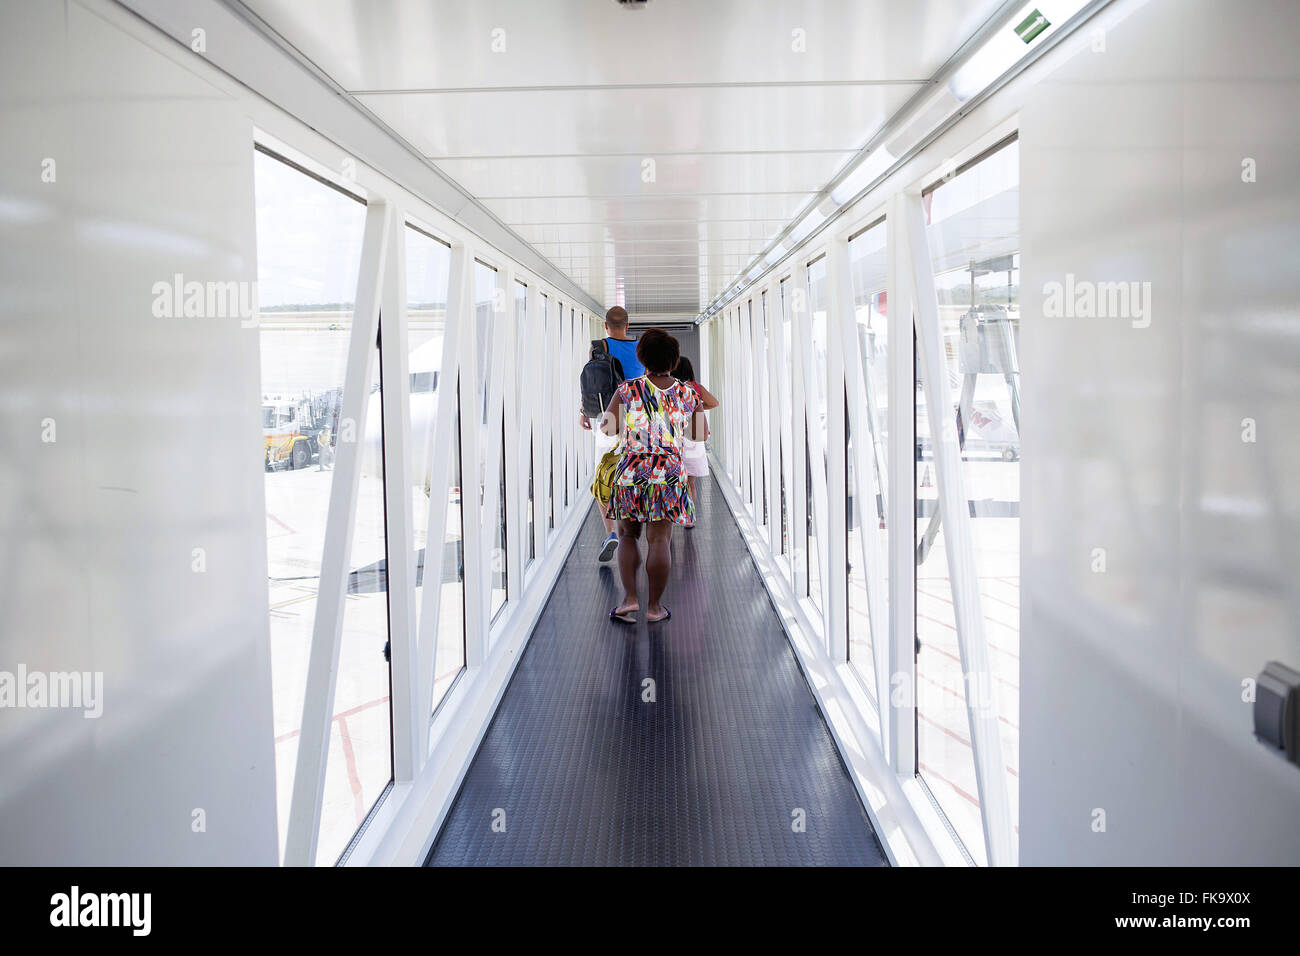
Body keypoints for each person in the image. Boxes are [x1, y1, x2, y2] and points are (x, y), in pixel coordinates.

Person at [603, 329, 697, 625]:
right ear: (674, 359)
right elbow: (698, 434)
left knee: (628, 534)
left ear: (641, 356)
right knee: (660, 540)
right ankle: (655, 607)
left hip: (631, 471)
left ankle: (630, 599)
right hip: (668, 474)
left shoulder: (627, 390)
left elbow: (607, 428)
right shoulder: (686, 393)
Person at [581, 306, 645, 563]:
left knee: (601, 477)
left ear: (606, 326)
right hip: (636, 421)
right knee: (635, 473)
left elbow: (590, 385)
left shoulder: (599, 347)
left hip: (607, 419)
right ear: (627, 325)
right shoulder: (641, 349)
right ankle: (633, 528)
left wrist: (584, 412)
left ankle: (610, 533)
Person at [671, 356, 719, 527]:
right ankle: (689, 519)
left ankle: (674, 513)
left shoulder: (670, 387)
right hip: (694, 438)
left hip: (674, 438)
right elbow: (714, 403)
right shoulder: (696, 388)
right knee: (690, 482)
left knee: (675, 481)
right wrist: (698, 405)